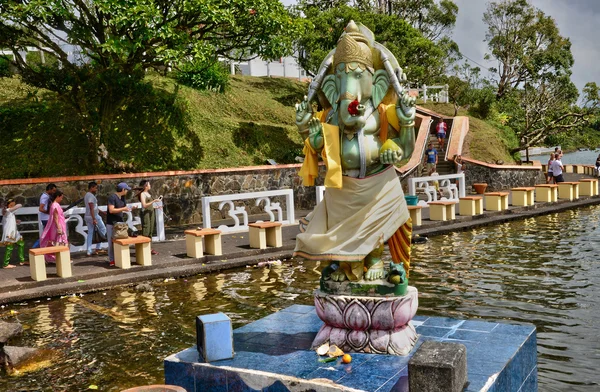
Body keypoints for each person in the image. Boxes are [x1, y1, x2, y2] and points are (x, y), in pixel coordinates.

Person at [106, 183, 136, 266]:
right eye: (126, 190)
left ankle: (120, 258)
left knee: (121, 240)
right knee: (111, 242)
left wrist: (131, 208)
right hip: (111, 223)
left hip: (120, 222)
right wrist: (123, 208)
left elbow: (124, 208)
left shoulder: (122, 198)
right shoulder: (112, 197)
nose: (127, 191)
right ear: (123, 190)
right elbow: (111, 210)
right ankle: (112, 260)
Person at [40, 191, 68, 263]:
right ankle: (60, 258)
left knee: (58, 241)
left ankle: (58, 258)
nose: (61, 199)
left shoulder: (54, 205)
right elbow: (55, 217)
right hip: (58, 225)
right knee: (60, 240)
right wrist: (59, 227)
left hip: (58, 224)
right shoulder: (55, 205)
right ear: (58, 196)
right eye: (61, 197)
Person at [136, 180, 160, 255]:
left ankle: (149, 248)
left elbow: (150, 205)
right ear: (145, 186)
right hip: (145, 214)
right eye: (149, 184)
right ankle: (144, 248)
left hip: (151, 213)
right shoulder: (142, 194)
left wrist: (156, 206)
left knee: (151, 230)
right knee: (146, 229)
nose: (150, 185)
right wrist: (154, 201)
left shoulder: (148, 193)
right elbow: (144, 205)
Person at [84, 181, 107, 257]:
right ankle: (98, 247)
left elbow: (94, 207)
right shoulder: (90, 196)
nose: (96, 189)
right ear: (92, 188)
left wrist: (101, 211)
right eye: (95, 188)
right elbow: (91, 208)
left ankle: (89, 250)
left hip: (88, 216)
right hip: (93, 216)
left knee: (90, 233)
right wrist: (94, 218)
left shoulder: (87, 195)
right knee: (103, 229)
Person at [32, 183, 57, 248]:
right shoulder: (45, 197)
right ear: (49, 189)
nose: (54, 192)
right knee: (46, 235)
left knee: (48, 235)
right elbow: (41, 208)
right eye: (53, 190)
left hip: (47, 218)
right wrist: (49, 212)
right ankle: (35, 247)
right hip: (46, 219)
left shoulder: (47, 196)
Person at [2, 199, 25, 268]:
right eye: (11, 204)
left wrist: (16, 221)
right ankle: (5, 264)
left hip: (14, 232)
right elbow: (19, 205)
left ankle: (22, 260)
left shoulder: (10, 212)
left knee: (21, 243)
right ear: (8, 205)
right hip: (9, 233)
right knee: (9, 248)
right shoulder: (7, 210)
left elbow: (9, 220)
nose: (13, 205)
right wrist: (14, 206)